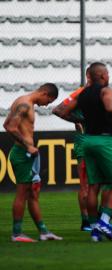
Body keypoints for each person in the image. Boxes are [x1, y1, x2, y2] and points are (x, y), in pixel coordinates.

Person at [72, 62, 112, 241]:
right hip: (104, 140)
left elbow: (61, 111)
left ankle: (94, 228)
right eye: (107, 73)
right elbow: (110, 107)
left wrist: (80, 121)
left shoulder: (83, 94)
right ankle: (104, 221)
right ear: (102, 76)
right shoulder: (106, 90)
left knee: (93, 186)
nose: (108, 76)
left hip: (87, 139)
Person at [4, 83, 62, 242]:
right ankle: (17, 233)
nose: (47, 105)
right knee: (22, 193)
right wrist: (28, 146)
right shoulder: (25, 104)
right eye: (48, 101)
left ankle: (43, 231)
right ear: (45, 93)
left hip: (25, 153)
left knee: (33, 193)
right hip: (23, 154)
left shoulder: (23, 101)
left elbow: (6, 124)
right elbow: (10, 126)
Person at [52, 69, 91, 232]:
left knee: (99, 184)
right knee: (86, 186)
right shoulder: (80, 93)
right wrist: (78, 120)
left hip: (97, 142)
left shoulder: (98, 93)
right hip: (84, 143)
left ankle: (98, 219)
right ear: (90, 76)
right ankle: (86, 221)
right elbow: (57, 110)